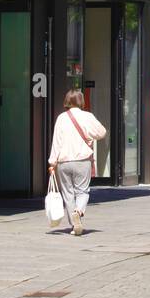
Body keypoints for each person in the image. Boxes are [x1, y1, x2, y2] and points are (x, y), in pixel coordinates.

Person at [47, 90, 107, 236]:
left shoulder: (61, 118)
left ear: (67, 100)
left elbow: (56, 141)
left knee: (68, 193)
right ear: (81, 101)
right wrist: (89, 136)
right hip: (82, 161)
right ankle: (78, 212)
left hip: (64, 162)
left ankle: (74, 225)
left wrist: (52, 162)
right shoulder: (87, 116)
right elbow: (102, 132)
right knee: (82, 191)